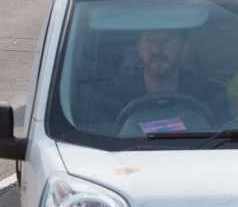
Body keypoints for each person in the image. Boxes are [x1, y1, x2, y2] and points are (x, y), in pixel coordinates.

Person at [87, 29, 229, 133]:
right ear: (139, 49)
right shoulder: (112, 95)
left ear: (183, 49)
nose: (157, 48)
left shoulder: (210, 94)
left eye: (167, 40)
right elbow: (97, 147)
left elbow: (222, 144)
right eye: (149, 40)